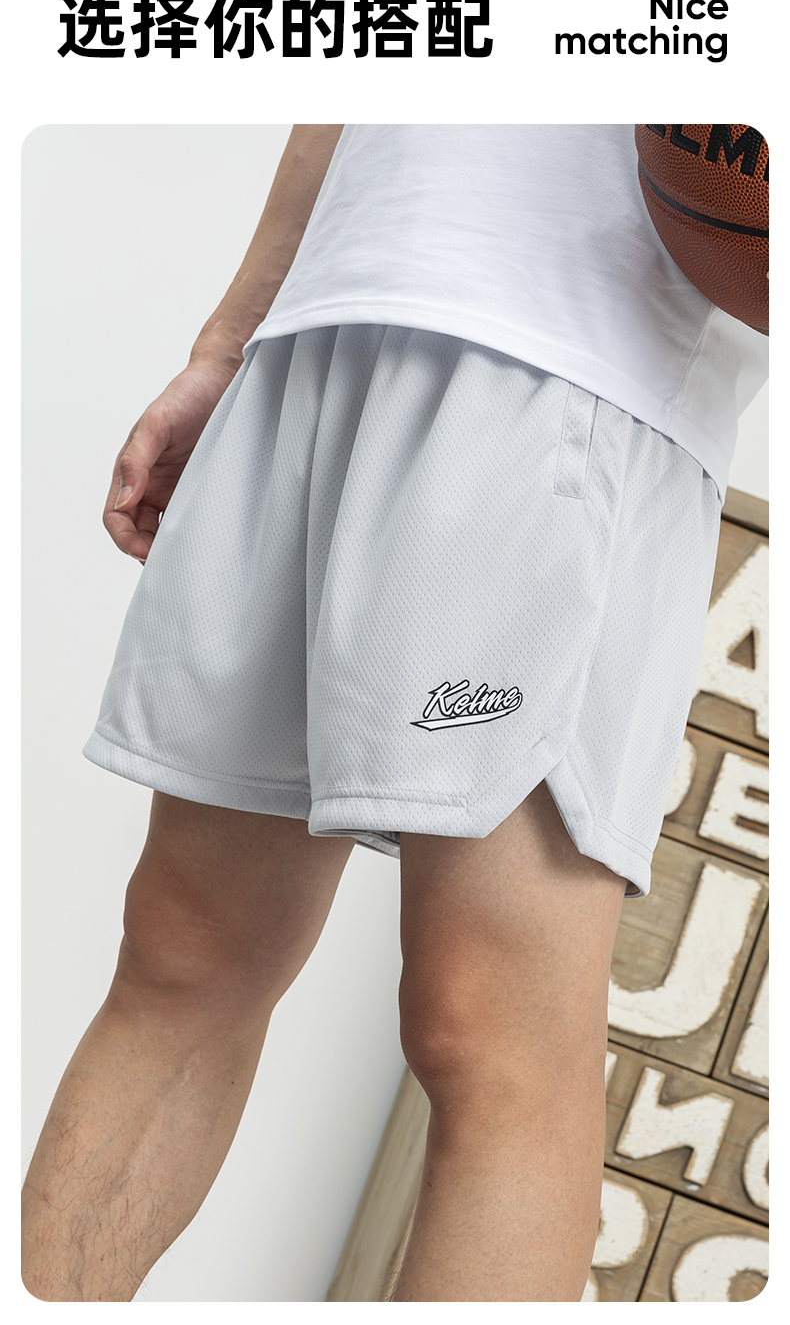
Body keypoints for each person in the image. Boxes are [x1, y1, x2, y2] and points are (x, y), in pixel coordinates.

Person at [21, 124, 768, 1303]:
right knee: (181, 950)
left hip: (576, 357)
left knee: (486, 1033)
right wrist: (228, 340)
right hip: (329, 316)